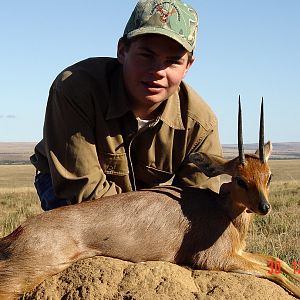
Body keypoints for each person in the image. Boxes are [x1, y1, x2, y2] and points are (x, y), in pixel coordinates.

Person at [30, 0, 223, 211]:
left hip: (140, 203)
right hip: (65, 187)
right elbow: (81, 189)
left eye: (173, 61)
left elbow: (197, 204)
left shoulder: (200, 125)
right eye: (147, 55)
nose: (158, 71)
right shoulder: (75, 88)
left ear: (188, 66)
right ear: (122, 51)